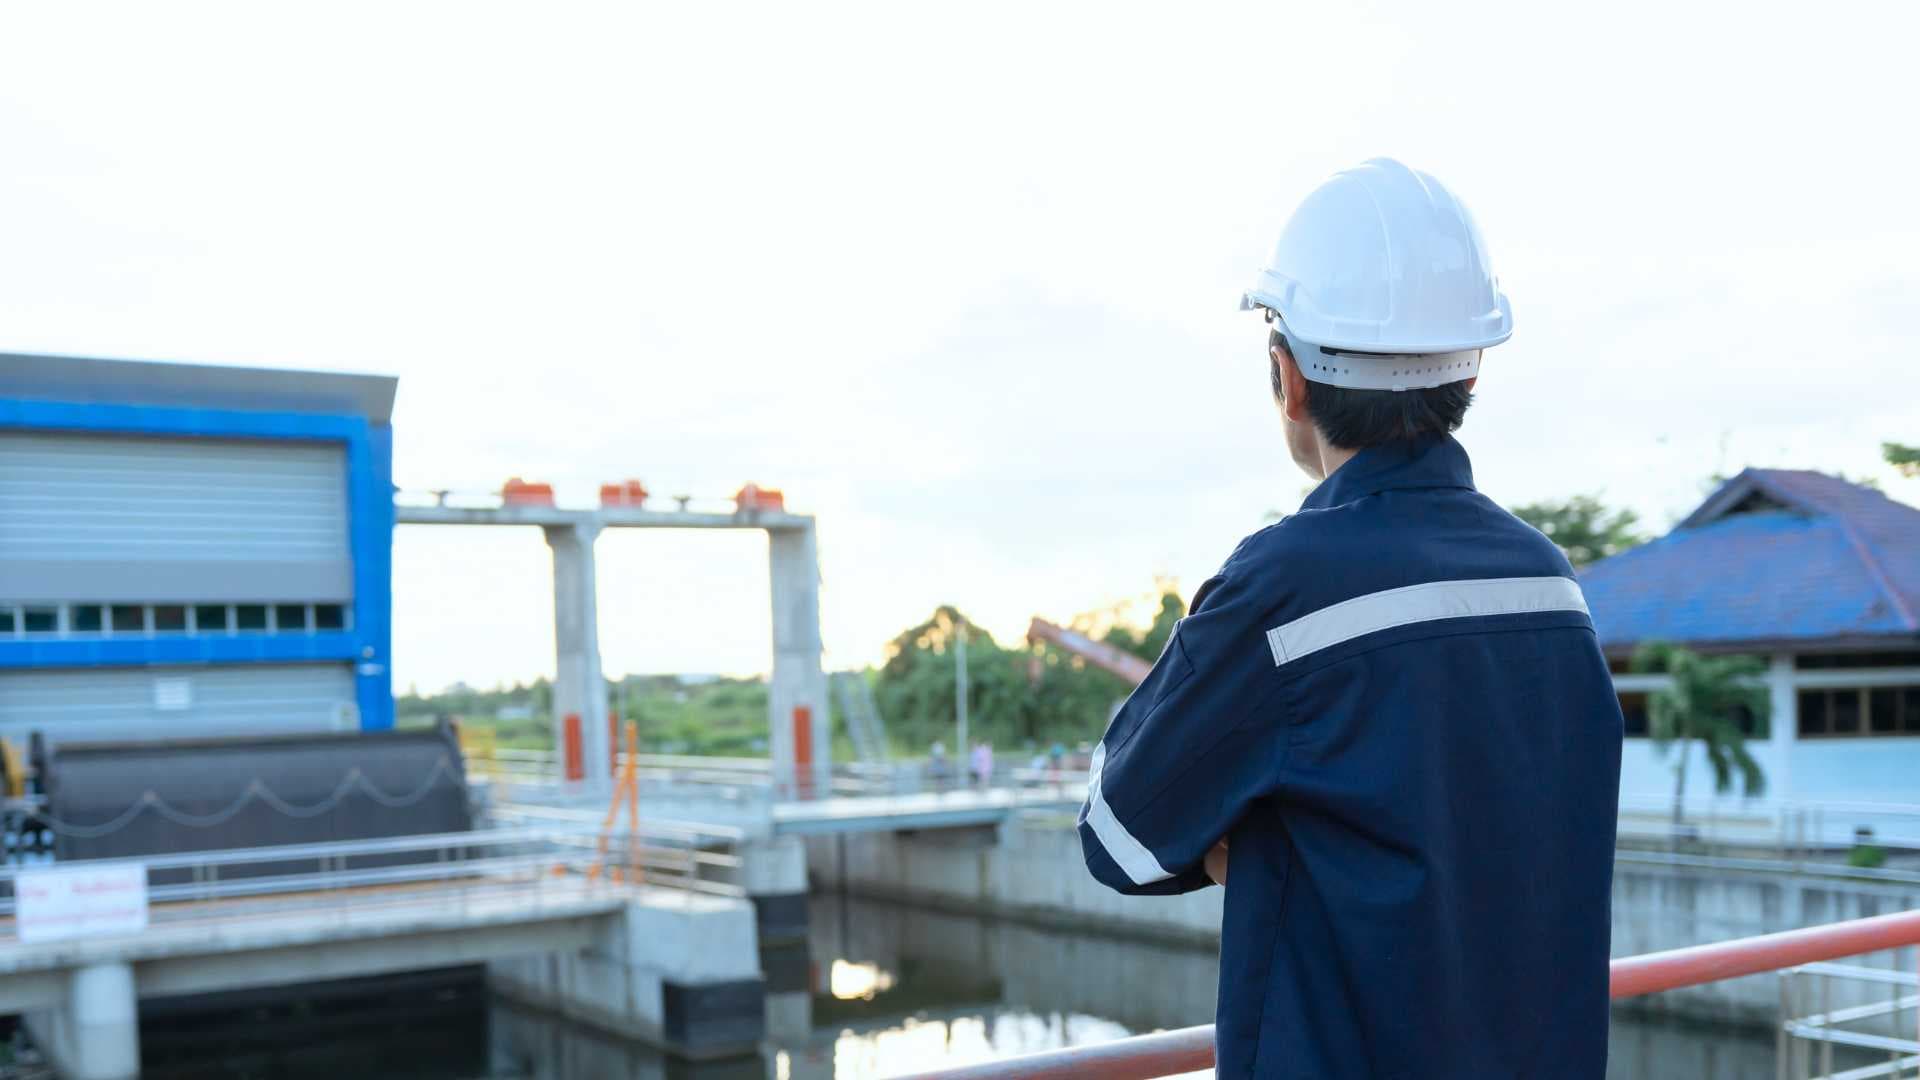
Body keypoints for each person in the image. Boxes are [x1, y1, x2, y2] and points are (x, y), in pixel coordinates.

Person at [1078, 159, 1623, 1079]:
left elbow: (1117, 836)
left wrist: (1257, 845)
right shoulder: (1548, 582)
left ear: (1286, 376)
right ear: (1471, 372)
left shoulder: (1284, 583)